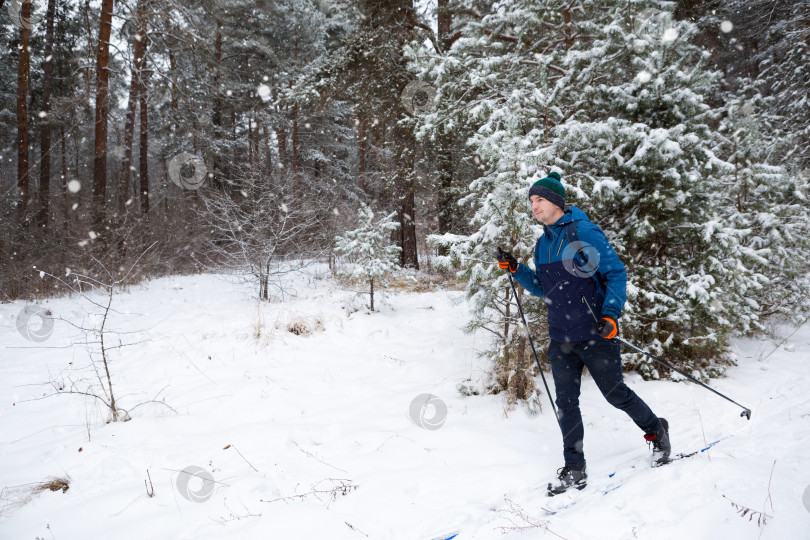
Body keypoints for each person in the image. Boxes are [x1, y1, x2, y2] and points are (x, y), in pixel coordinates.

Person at [496, 171, 671, 496]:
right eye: (531, 201)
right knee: (566, 403)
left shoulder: (583, 232)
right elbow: (541, 288)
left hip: (595, 334)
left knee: (615, 393)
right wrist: (517, 270)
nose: (534, 206)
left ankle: (656, 430)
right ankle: (575, 467)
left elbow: (616, 274)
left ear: (557, 202)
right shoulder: (541, 244)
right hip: (561, 338)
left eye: (540, 199)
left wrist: (611, 314)